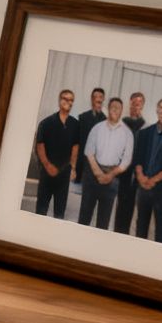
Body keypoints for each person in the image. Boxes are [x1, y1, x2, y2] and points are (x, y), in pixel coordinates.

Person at [130, 98, 162, 243]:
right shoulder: (145, 133)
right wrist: (141, 177)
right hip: (143, 188)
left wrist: (153, 180)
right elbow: (138, 158)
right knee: (141, 226)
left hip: (161, 190)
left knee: (160, 229)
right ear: (156, 109)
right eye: (161, 107)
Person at [79, 97, 133, 229]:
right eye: (112, 106)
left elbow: (126, 160)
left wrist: (110, 175)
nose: (114, 109)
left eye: (118, 107)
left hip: (112, 178)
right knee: (84, 217)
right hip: (92, 176)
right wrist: (98, 174)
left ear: (122, 111)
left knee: (103, 221)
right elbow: (89, 152)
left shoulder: (127, 133)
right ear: (108, 109)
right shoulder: (97, 128)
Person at [32, 90, 79, 218]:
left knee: (59, 213)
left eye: (71, 100)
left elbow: (75, 147)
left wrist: (73, 167)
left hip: (64, 174)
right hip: (47, 172)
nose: (68, 102)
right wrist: (47, 166)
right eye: (65, 99)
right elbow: (40, 146)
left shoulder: (75, 124)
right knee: (41, 210)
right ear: (59, 100)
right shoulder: (46, 123)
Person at [112, 92, 147, 234]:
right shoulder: (122, 123)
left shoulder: (145, 126)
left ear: (142, 106)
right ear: (130, 104)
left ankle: (124, 234)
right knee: (120, 203)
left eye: (139, 103)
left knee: (131, 205)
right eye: (134, 102)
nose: (136, 105)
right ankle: (116, 232)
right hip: (122, 171)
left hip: (136, 171)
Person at [70, 87, 108, 206]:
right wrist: (73, 167)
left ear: (103, 100)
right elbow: (76, 143)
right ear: (92, 99)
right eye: (95, 97)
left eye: (100, 97)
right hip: (81, 166)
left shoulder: (106, 121)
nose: (98, 99)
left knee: (89, 204)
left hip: (96, 169)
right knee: (74, 202)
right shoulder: (82, 117)